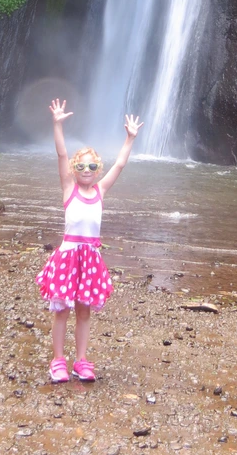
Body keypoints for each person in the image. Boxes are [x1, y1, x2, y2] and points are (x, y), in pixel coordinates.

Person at [36, 98, 143, 383]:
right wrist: (57, 125)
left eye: (92, 165)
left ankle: (81, 360)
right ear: (74, 169)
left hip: (91, 259)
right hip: (68, 256)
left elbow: (119, 165)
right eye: (81, 165)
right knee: (62, 311)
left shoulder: (100, 191)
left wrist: (129, 138)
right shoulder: (68, 189)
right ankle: (58, 360)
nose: (86, 169)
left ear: (97, 170)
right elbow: (60, 155)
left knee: (84, 312)